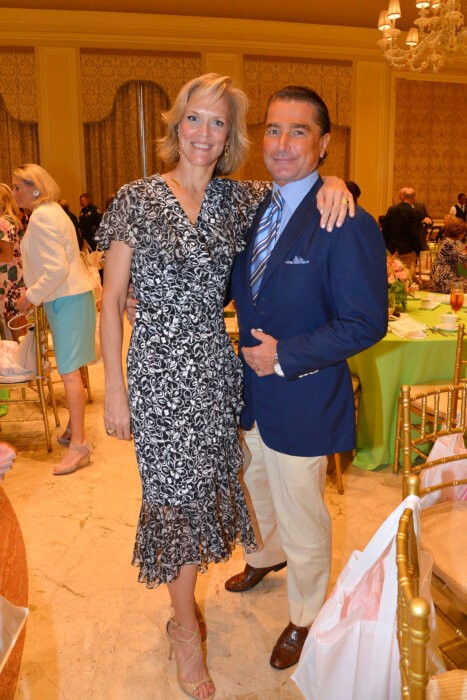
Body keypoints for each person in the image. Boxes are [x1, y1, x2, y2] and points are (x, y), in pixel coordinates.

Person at [100, 73, 353, 700]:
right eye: (194, 119)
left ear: (230, 135)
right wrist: (112, 387)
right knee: (176, 500)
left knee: (211, 489)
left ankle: (189, 614)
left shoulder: (239, 202)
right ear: (175, 125)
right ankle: (185, 629)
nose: (204, 134)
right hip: (158, 371)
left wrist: (336, 181)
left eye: (218, 123)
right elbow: (109, 304)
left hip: (217, 369)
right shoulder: (135, 198)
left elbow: (297, 191)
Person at [224, 85, 388, 670]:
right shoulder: (250, 210)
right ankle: (266, 556)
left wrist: (287, 355)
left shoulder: (345, 219)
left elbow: (366, 322)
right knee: (256, 488)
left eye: (299, 131)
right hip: (249, 394)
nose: (283, 143)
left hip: (303, 392)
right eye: (273, 130)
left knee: (303, 510)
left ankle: (306, 615)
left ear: (322, 145)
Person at [12, 164, 96, 476]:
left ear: (35, 188)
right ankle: (75, 429)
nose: (14, 192)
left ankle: (80, 445)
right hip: (70, 296)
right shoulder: (51, 212)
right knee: (73, 369)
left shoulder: (43, 216)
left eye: (18, 186)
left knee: (69, 373)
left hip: (66, 298)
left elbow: (56, 268)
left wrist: (29, 295)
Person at [0, 184, 26, 342]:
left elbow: (7, 254)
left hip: (9, 282)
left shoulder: (4, 221)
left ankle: (26, 364)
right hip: (16, 278)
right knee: (20, 326)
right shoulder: (13, 220)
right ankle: (29, 362)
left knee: (15, 327)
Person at [382, 187, 429, 272]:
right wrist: (418, 251)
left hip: (392, 249)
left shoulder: (392, 209)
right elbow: (416, 234)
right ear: (414, 198)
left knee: (393, 274)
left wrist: (387, 247)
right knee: (407, 276)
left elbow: (385, 230)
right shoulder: (415, 212)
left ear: (402, 197)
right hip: (408, 250)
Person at [432, 214, 467, 293]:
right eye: (463, 231)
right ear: (457, 232)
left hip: (447, 276)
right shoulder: (449, 243)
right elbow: (461, 258)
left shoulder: (450, 241)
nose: (464, 234)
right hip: (443, 279)